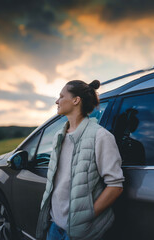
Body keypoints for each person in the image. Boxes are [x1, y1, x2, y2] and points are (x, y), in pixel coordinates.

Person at [36, 80, 124, 240]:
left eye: (61, 96)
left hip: (81, 232)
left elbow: (115, 185)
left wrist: (86, 216)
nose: (57, 101)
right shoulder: (59, 136)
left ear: (76, 100)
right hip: (54, 225)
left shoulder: (101, 137)